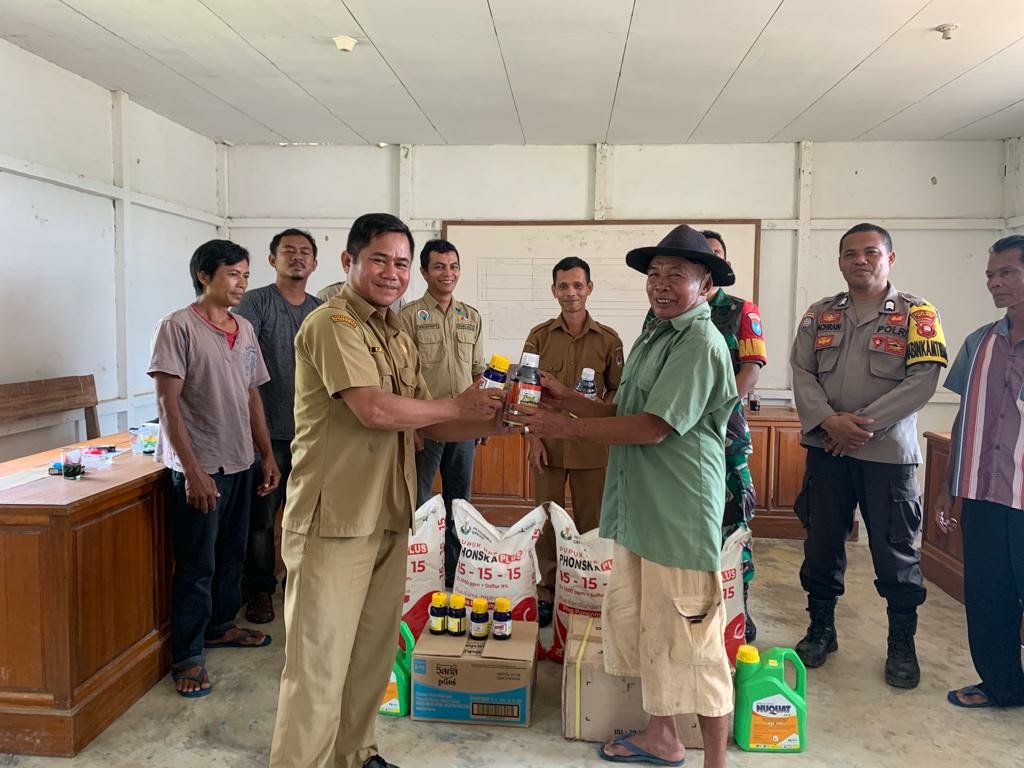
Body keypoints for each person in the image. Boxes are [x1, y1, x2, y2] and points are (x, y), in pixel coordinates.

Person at [269, 213, 504, 768]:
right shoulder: (332, 323)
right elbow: (374, 409)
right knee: (319, 663)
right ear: (349, 261)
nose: (392, 272)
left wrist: (505, 420)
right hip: (335, 519)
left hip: (390, 514)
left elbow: (426, 422)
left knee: (372, 654)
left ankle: (354, 754)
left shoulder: (395, 332)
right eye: (379, 259)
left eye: (401, 262)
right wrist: (458, 403)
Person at [516, 224, 737, 768]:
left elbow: (653, 427)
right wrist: (567, 399)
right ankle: (662, 735)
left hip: (678, 514)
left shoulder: (699, 342)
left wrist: (563, 427)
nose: (660, 284)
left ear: (705, 284)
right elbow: (624, 411)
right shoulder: (656, 334)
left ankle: (715, 761)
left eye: (677, 274)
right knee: (650, 628)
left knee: (695, 641)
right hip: (641, 508)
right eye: (654, 273)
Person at [790, 222, 945, 689]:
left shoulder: (918, 314)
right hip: (827, 451)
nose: (860, 260)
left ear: (889, 258)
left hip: (888, 458)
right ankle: (821, 629)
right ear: (840, 262)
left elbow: (923, 380)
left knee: (896, 552)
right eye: (850, 253)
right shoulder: (819, 315)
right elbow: (802, 371)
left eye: (871, 252)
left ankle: (901, 644)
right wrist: (829, 422)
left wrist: (859, 428)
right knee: (821, 545)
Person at [148, 239, 280, 698]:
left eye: (246, 275)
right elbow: (167, 405)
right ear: (204, 276)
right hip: (201, 467)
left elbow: (251, 395)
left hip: (241, 461)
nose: (241, 283)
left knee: (232, 554)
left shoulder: (244, 329)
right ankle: (188, 655)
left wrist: (266, 454)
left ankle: (221, 626)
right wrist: (193, 470)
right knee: (196, 565)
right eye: (232, 274)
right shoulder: (177, 327)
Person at [937, 234, 1024, 709]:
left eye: (1006, 272)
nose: (994, 283)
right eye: (991, 275)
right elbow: (964, 414)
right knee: (989, 595)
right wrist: (949, 486)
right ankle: (1002, 686)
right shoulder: (979, 342)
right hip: (983, 493)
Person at [522, 256, 623, 626]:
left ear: (589, 288)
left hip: (591, 448)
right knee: (546, 520)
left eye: (578, 285)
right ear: (554, 291)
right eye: (563, 286)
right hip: (547, 445)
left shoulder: (608, 340)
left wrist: (599, 419)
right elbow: (526, 393)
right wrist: (532, 439)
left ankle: (586, 590)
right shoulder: (539, 337)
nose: (571, 293)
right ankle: (547, 590)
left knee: (591, 523)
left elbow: (616, 390)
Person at [234, 228, 321, 623]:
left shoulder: (320, 311)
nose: (297, 258)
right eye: (289, 251)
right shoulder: (256, 303)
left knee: (306, 518)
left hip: (312, 435)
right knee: (262, 519)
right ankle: (260, 590)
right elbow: (240, 359)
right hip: (265, 434)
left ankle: (297, 586)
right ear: (273, 259)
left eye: (305, 252)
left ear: (315, 263)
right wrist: (261, 440)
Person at [397, 239, 486, 587]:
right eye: (439, 267)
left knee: (459, 502)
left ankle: (454, 569)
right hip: (426, 426)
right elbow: (402, 378)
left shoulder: (470, 317)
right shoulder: (408, 317)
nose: (447, 273)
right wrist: (412, 427)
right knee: (419, 502)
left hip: (463, 427)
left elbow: (479, 373)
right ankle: (419, 570)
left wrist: (482, 420)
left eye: (453, 266)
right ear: (424, 271)